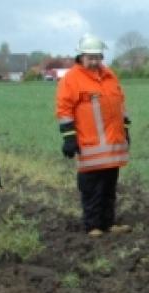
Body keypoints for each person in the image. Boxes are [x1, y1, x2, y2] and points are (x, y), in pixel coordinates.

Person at [56, 34, 131, 237]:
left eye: (98, 57)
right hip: (90, 146)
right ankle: (93, 226)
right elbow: (64, 110)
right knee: (92, 190)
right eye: (90, 57)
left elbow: (120, 104)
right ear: (81, 56)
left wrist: (125, 129)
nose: (94, 61)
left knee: (109, 188)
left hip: (113, 145)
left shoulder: (110, 75)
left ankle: (108, 223)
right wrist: (69, 138)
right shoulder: (71, 79)